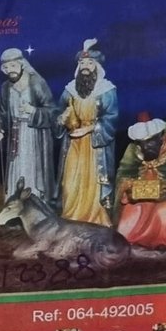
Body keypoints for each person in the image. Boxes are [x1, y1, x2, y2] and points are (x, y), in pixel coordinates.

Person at [54, 39, 118, 225]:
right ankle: (71, 216)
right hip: (73, 142)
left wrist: (90, 128)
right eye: (82, 63)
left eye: (90, 63)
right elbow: (58, 113)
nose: (85, 67)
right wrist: (62, 118)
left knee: (93, 181)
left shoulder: (107, 90)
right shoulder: (69, 90)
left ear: (97, 66)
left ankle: (95, 218)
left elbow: (111, 118)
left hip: (95, 144)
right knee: (70, 181)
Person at [113, 118, 166, 250]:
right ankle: (131, 241)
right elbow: (124, 173)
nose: (145, 147)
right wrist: (129, 189)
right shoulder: (132, 149)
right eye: (141, 143)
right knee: (130, 211)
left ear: (161, 137)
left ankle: (163, 242)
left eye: (150, 142)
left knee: (164, 212)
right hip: (139, 195)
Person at [0, 47, 56, 200]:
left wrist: (33, 110)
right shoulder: (6, 87)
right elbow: (1, 113)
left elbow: (52, 111)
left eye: (13, 65)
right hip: (15, 134)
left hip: (35, 135)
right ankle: (15, 202)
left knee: (32, 167)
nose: (10, 70)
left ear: (22, 64)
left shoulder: (36, 83)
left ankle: (34, 201)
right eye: (6, 67)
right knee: (17, 166)